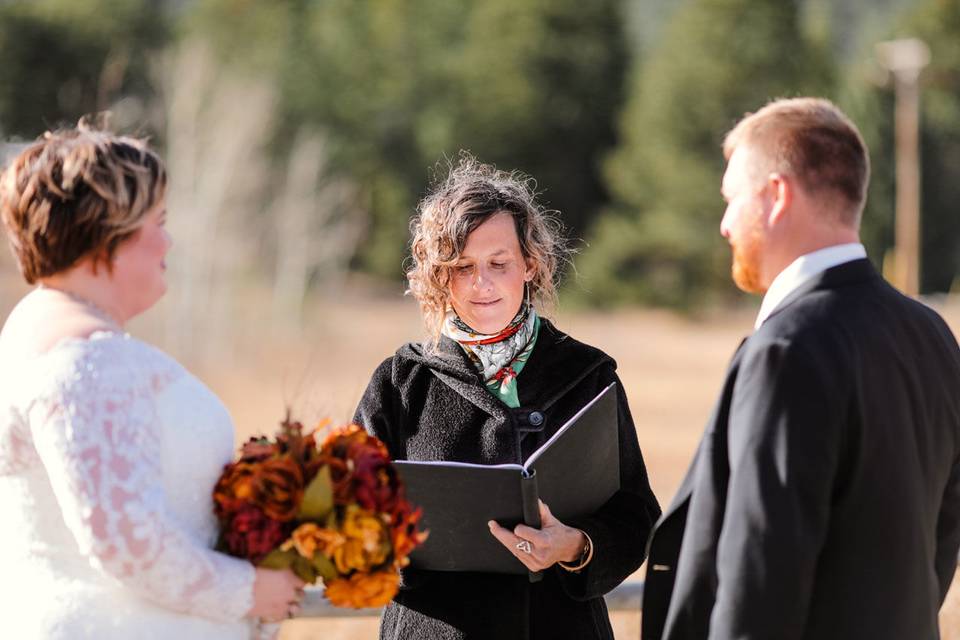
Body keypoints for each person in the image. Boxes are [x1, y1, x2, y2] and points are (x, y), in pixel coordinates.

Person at [641, 97, 960, 640]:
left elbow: (760, 580)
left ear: (777, 196)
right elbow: (941, 534)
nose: (723, 224)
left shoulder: (786, 349)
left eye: (731, 198)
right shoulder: (930, 333)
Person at [0, 125, 304, 639]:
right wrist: (252, 590)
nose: (168, 240)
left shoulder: (40, 328)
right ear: (108, 233)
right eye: (157, 222)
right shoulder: (86, 362)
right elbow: (126, 541)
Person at [354, 156, 661, 640]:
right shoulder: (400, 382)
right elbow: (348, 519)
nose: (483, 284)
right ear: (438, 275)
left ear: (530, 265)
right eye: (462, 267)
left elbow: (636, 515)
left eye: (499, 264)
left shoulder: (587, 374)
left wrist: (575, 546)